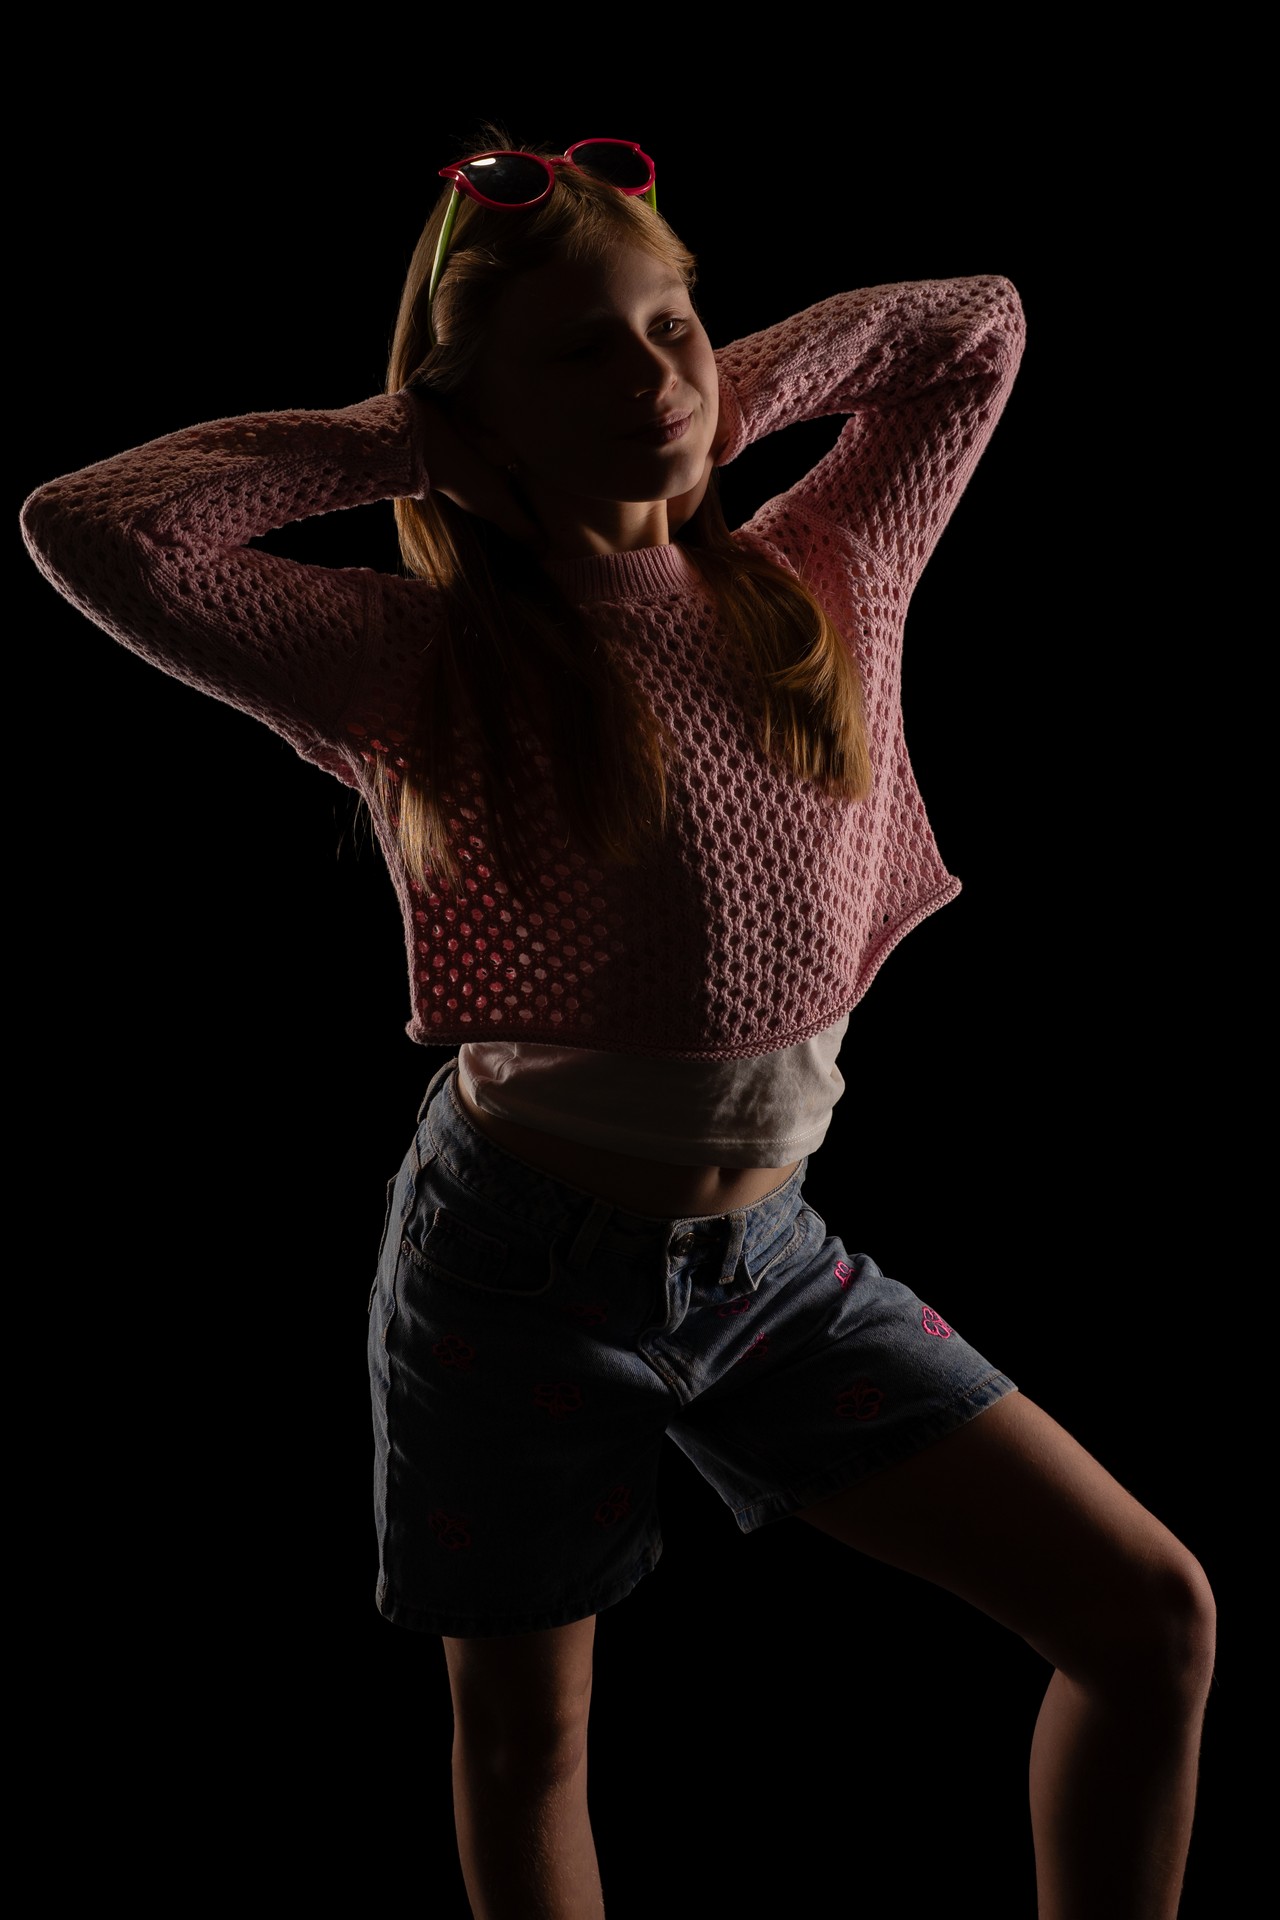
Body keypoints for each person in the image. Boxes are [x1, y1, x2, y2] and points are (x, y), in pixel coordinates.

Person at [21, 134, 1215, 1919]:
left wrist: (726, 394)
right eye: (583, 350)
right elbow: (96, 526)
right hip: (516, 1269)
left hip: (772, 1265)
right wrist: (408, 439)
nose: (651, 374)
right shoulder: (424, 660)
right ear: (474, 405)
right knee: (531, 1751)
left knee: (1149, 1618)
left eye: (671, 326)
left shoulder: (826, 568)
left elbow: (977, 325)